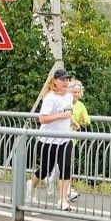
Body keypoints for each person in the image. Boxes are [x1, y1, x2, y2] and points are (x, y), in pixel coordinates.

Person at [25, 68, 75, 211]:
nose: (65, 83)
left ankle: (63, 199)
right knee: (46, 169)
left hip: (65, 139)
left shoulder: (69, 97)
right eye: (62, 80)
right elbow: (42, 119)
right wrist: (60, 116)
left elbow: (68, 112)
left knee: (66, 167)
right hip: (48, 140)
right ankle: (31, 184)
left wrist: (73, 122)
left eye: (67, 80)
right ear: (55, 81)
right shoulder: (50, 98)